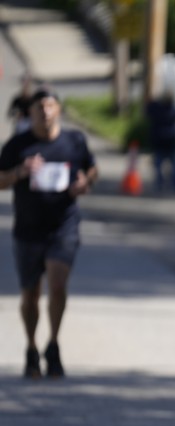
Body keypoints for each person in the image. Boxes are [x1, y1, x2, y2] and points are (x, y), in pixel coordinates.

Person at [0, 88, 98, 378]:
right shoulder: (18, 145)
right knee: (30, 295)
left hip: (63, 226)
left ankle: (53, 344)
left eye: (50, 106)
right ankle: (31, 348)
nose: (45, 112)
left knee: (57, 285)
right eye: (39, 107)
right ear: (29, 113)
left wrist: (85, 182)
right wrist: (20, 172)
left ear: (58, 110)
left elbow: (92, 170)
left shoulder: (74, 141)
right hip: (28, 230)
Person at [145, 90, 175, 192]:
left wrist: (153, 100)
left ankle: (160, 184)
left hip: (160, 141)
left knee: (158, 165)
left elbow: (148, 112)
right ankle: (174, 184)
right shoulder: (174, 110)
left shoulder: (157, 109)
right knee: (174, 166)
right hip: (171, 141)